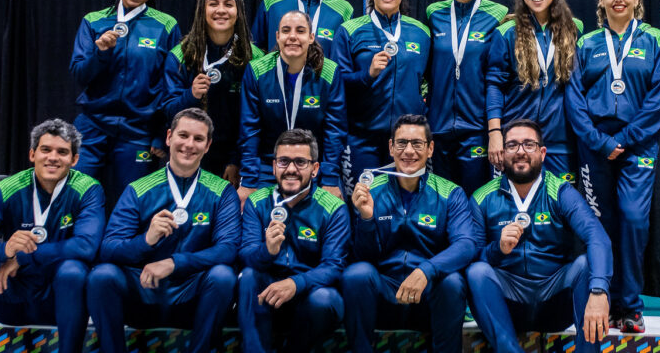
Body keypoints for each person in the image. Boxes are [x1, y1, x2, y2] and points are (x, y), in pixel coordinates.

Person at [0, 119, 104, 353]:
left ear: (74, 159)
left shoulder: (88, 189)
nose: (53, 158)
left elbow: (86, 246)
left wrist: (24, 257)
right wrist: (3, 250)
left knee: (73, 271)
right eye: (45, 150)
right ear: (32, 154)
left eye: (62, 152)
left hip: (57, 298)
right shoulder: (8, 188)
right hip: (9, 292)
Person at [565, 0, 660, 333]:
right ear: (601, 0)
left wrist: (625, 139)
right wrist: (599, 141)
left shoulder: (656, 40)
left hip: (637, 146)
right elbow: (574, 98)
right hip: (594, 146)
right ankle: (605, 301)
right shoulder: (586, 43)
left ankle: (631, 305)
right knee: (598, 224)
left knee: (633, 220)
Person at [86, 108, 240, 353]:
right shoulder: (138, 189)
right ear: (169, 137)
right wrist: (146, 240)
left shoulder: (222, 191)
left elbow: (228, 249)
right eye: (183, 135)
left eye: (198, 139)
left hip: (192, 296)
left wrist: (174, 263)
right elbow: (109, 248)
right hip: (144, 292)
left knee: (223, 276)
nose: (189, 145)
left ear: (208, 145)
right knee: (102, 275)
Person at [468, 119, 613, 353]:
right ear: (502, 153)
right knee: (476, 272)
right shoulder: (482, 197)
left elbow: (597, 237)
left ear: (542, 153)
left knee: (586, 265)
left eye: (529, 144)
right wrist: (498, 249)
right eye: (512, 145)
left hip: (555, 301)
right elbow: (471, 256)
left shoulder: (561, 191)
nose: (521, 152)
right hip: (508, 304)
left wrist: (599, 291)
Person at [342, 114, 480, 353]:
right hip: (385, 293)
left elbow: (466, 244)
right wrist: (366, 218)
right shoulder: (370, 191)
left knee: (452, 283)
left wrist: (426, 270)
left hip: (429, 295)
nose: (408, 151)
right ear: (391, 147)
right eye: (402, 143)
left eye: (417, 144)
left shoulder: (450, 192)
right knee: (356, 274)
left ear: (430, 149)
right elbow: (363, 255)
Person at [70, 0, 181, 205]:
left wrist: (160, 133)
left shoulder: (166, 25)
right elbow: (79, 74)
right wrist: (100, 54)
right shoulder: (94, 21)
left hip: (139, 132)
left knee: (131, 204)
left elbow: (170, 85)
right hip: (92, 128)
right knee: (78, 198)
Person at [239, 129, 349, 352]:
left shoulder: (333, 208)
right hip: (268, 293)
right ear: (273, 166)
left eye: (300, 162)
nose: (291, 169)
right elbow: (245, 255)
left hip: (310, 293)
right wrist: (267, 250)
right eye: (283, 161)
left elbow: (333, 266)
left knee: (325, 299)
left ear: (315, 169)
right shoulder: (257, 202)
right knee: (248, 276)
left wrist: (296, 283)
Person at [331, 0, 431, 189]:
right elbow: (336, 84)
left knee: (405, 202)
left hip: (407, 141)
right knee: (363, 201)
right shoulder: (350, 31)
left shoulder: (421, 33)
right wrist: (367, 75)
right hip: (362, 139)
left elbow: (431, 82)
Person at [486, 0, 583, 181]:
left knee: (559, 199)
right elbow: (494, 86)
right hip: (516, 138)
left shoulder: (574, 28)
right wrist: (495, 133)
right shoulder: (506, 33)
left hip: (561, 140)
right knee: (515, 199)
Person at [164, 0, 264, 187]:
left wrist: (236, 160)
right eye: (213, 4)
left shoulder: (254, 58)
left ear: (239, 11)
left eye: (228, 4)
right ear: (202, 10)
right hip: (189, 154)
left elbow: (256, 118)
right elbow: (168, 112)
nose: (221, 10)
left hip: (234, 159)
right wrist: (191, 95)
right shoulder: (180, 55)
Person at [240, 10, 348, 199]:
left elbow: (334, 130)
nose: (292, 36)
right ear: (277, 36)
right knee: (251, 209)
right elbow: (250, 129)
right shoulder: (257, 71)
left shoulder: (329, 72)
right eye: (286, 30)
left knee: (331, 209)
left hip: (312, 165)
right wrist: (248, 181)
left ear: (311, 37)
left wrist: (330, 179)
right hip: (268, 165)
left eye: (300, 31)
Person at [426, 0, 509, 194]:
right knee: (443, 200)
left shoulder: (499, 14)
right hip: (439, 128)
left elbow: (499, 73)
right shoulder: (434, 13)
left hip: (477, 128)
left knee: (476, 199)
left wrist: (494, 130)